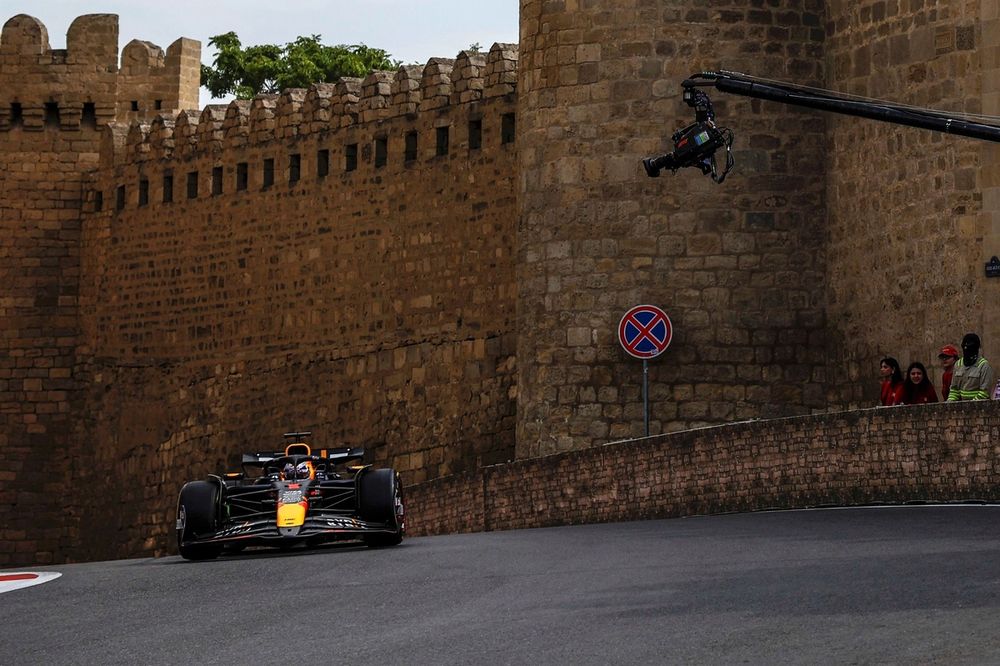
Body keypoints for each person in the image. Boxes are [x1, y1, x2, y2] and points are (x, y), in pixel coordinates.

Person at [947, 333, 994, 401]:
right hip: (963, 404)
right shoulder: (958, 364)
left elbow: (984, 393)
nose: (967, 351)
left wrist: (971, 404)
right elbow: (954, 390)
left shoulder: (983, 365)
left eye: (970, 348)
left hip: (979, 405)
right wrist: (950, 403)